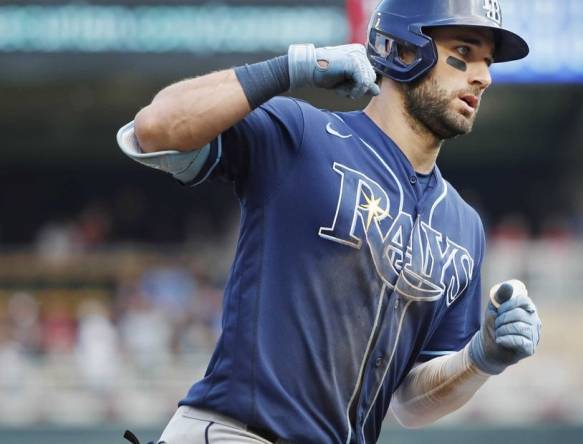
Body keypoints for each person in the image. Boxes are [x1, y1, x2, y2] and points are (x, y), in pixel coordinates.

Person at [117, 1, 542, 443]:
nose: (483, 77)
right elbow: (156, 128)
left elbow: (411, 404)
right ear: (404, 51)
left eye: (487, 63)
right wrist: (291, 68)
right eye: (463, 53)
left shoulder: (463, 226)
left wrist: (482, 357)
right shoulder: (303, 136)